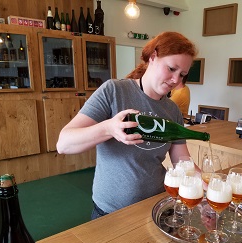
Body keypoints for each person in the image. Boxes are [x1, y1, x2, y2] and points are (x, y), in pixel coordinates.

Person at [56, 31, 199, 219]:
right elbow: (63, 144)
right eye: (172, 69)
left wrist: (204, 185)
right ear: (153, 57)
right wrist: (109, 128)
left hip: (156, 208)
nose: (176, 80)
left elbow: (182, 161)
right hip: (110, 213)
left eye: (182, 74)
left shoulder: (172, 110)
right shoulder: (114, 91)